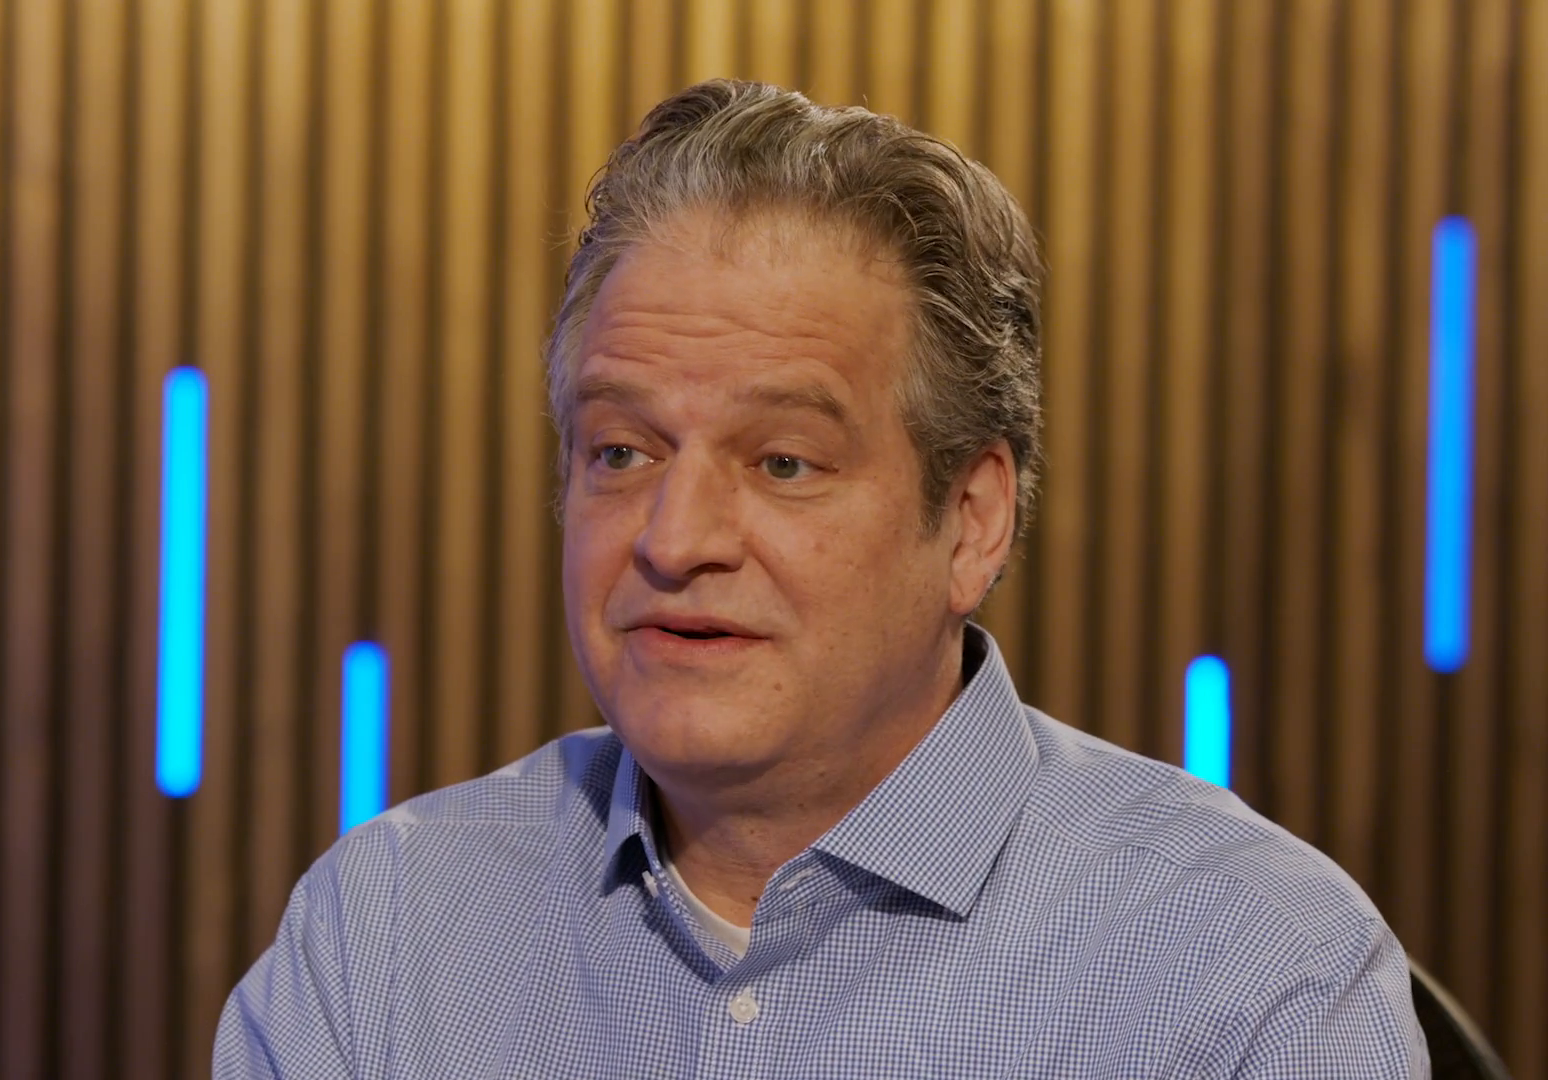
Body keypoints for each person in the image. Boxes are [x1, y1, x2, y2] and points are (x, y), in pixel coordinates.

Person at [214, 80, 1427, 1077]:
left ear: (972, 521)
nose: (674, 538)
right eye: (622, 452)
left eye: (783, 462)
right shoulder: (384, 939)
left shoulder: (1250, 973)